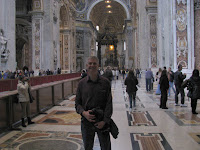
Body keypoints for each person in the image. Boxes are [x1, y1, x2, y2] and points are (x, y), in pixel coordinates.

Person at [75, 56, 113, 150]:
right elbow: (77, 104)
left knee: (106, 147)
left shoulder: (105, 82)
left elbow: (109, 104)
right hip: (87, 122)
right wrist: (84, 113)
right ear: (87, 65)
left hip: (102, 121)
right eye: (90, 63)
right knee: (88, 147)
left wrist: (104, 121)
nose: (92, 65)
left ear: (98, 65)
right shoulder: (81, 83)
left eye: (94, 63)